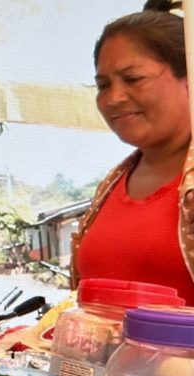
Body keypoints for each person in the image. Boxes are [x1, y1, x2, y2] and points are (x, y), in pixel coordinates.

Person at [70, 0, 194, 304]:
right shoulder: (111, 184)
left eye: (133, 79)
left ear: (189, 78)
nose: (114, 98)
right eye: (102, 85)